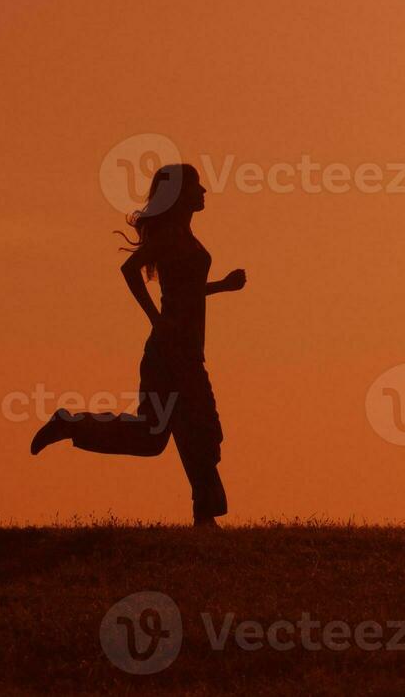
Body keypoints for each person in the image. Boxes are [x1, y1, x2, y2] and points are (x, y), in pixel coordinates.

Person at [30, 163, 245, 526]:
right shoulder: (171, 236)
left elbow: (183, 291)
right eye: (196, 186)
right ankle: (205, 517)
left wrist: (220, 286)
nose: (204, 191)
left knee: (154, 436)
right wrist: (156, 320)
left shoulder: (183, 236)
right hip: (171, 353)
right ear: (179, 195)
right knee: (201, 430)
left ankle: (72, 425)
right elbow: (129, 270)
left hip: (184, 351)